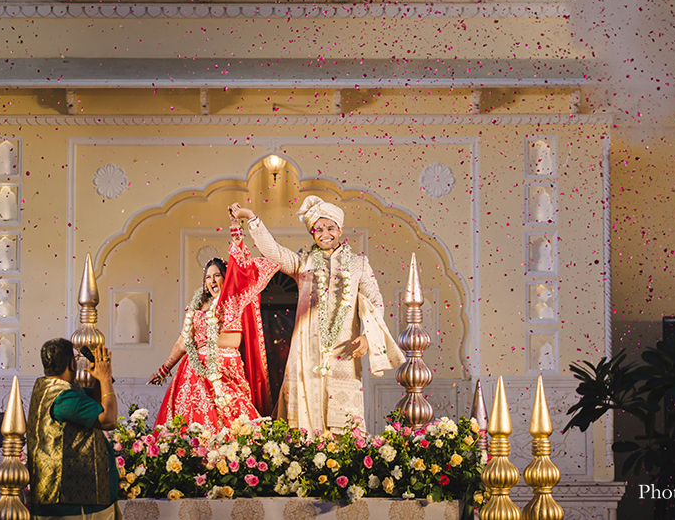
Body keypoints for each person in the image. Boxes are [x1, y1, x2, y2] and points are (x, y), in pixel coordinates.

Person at [229, 196, 404, 434]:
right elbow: (274, 252)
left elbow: (375, 302)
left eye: (330, 228)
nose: (325, 234)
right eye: (318, 229)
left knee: (345, 426)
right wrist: (252, 219)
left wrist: (367, 337)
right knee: (302, 424)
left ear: (340, 229)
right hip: (306, 353)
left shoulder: (358, 264)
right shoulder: (304, 262)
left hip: (344, 351)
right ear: (312, 233)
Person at [149, 209, 280, 431]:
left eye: (217, 275)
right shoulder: (196, 307)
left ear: (226, 278)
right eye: (207, 277)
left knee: (233, 422)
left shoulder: (231, 301)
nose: (211, 280)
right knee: (191, 422)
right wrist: (164, 369)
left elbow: (239, 264)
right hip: (194, 371)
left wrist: (235, 228)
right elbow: (183, 341)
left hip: (225, 369)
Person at [28, 339, 119, 518]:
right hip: (75, 506)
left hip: (64, 501)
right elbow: (108, 420)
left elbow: (96, 402)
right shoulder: (65, 398)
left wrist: (98, 380)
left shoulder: (46, 387)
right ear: (72, 363)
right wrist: (106, 378)